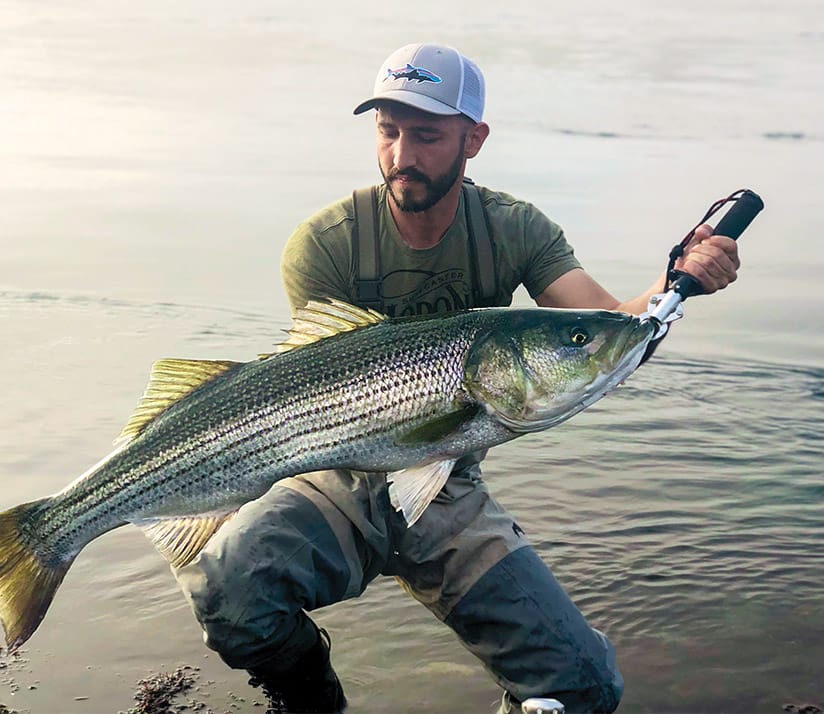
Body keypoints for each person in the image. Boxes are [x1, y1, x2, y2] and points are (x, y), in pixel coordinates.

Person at [173, 42, 740, 713]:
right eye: (388, 132)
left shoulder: (515, 228)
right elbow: (307, 388)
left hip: (449, 485)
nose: (402, 155)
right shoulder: (323, 242)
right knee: (228, 591)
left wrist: (677, 281)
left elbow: (608, 326)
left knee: (583, 685)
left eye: (428, 135)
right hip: (338, 475)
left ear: (474, 138)